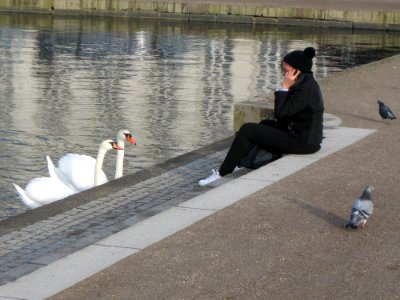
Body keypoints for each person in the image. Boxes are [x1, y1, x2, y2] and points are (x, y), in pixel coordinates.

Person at [199, 46, 324, 186]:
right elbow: (284, 116)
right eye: (282, 70)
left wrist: (284, 88)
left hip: (303, 143)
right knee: (265, 124)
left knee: (248, 130)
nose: (283, 73)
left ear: (296, 71)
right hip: (304, 137)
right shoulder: (306, 83)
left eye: (286, 70)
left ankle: (222, 172)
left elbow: (281, 114)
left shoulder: (304, 90)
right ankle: (240, 162)